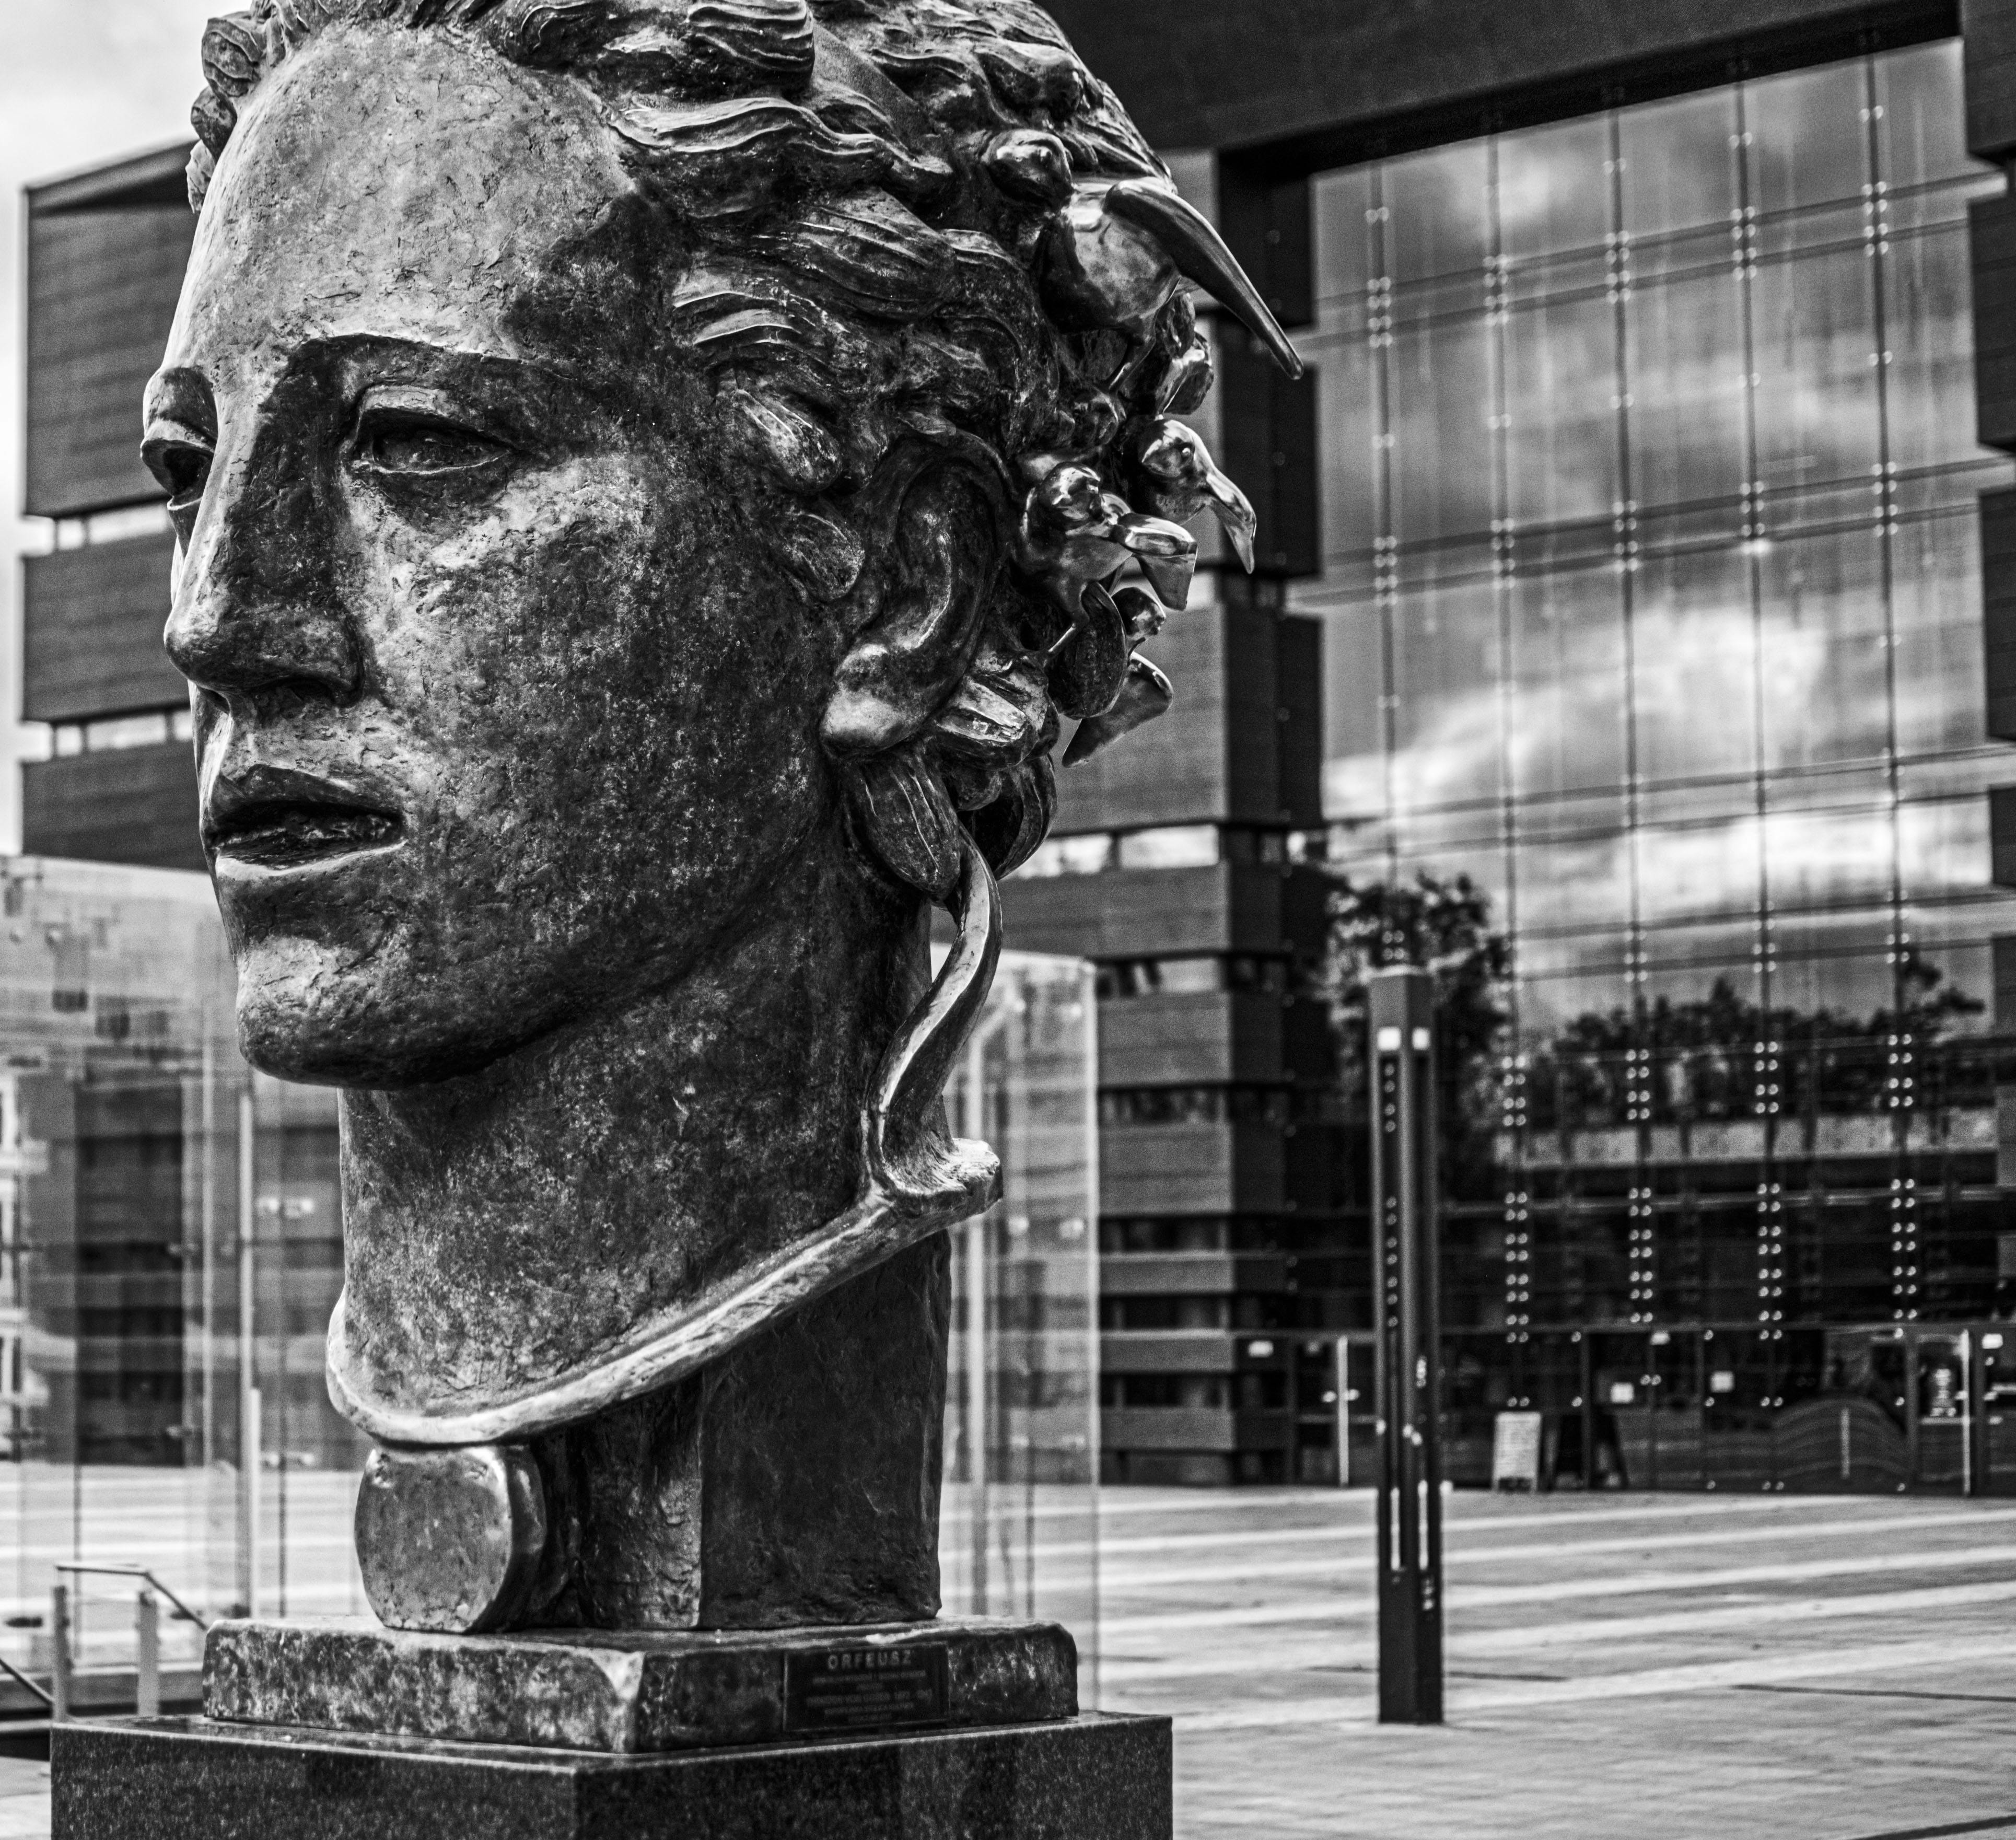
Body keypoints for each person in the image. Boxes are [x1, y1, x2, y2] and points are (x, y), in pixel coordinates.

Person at [154, 0, 1291, 1628]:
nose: (222, 615)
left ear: (902, 595)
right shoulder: (242, 630)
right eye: (184, 475)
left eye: (418, 441)